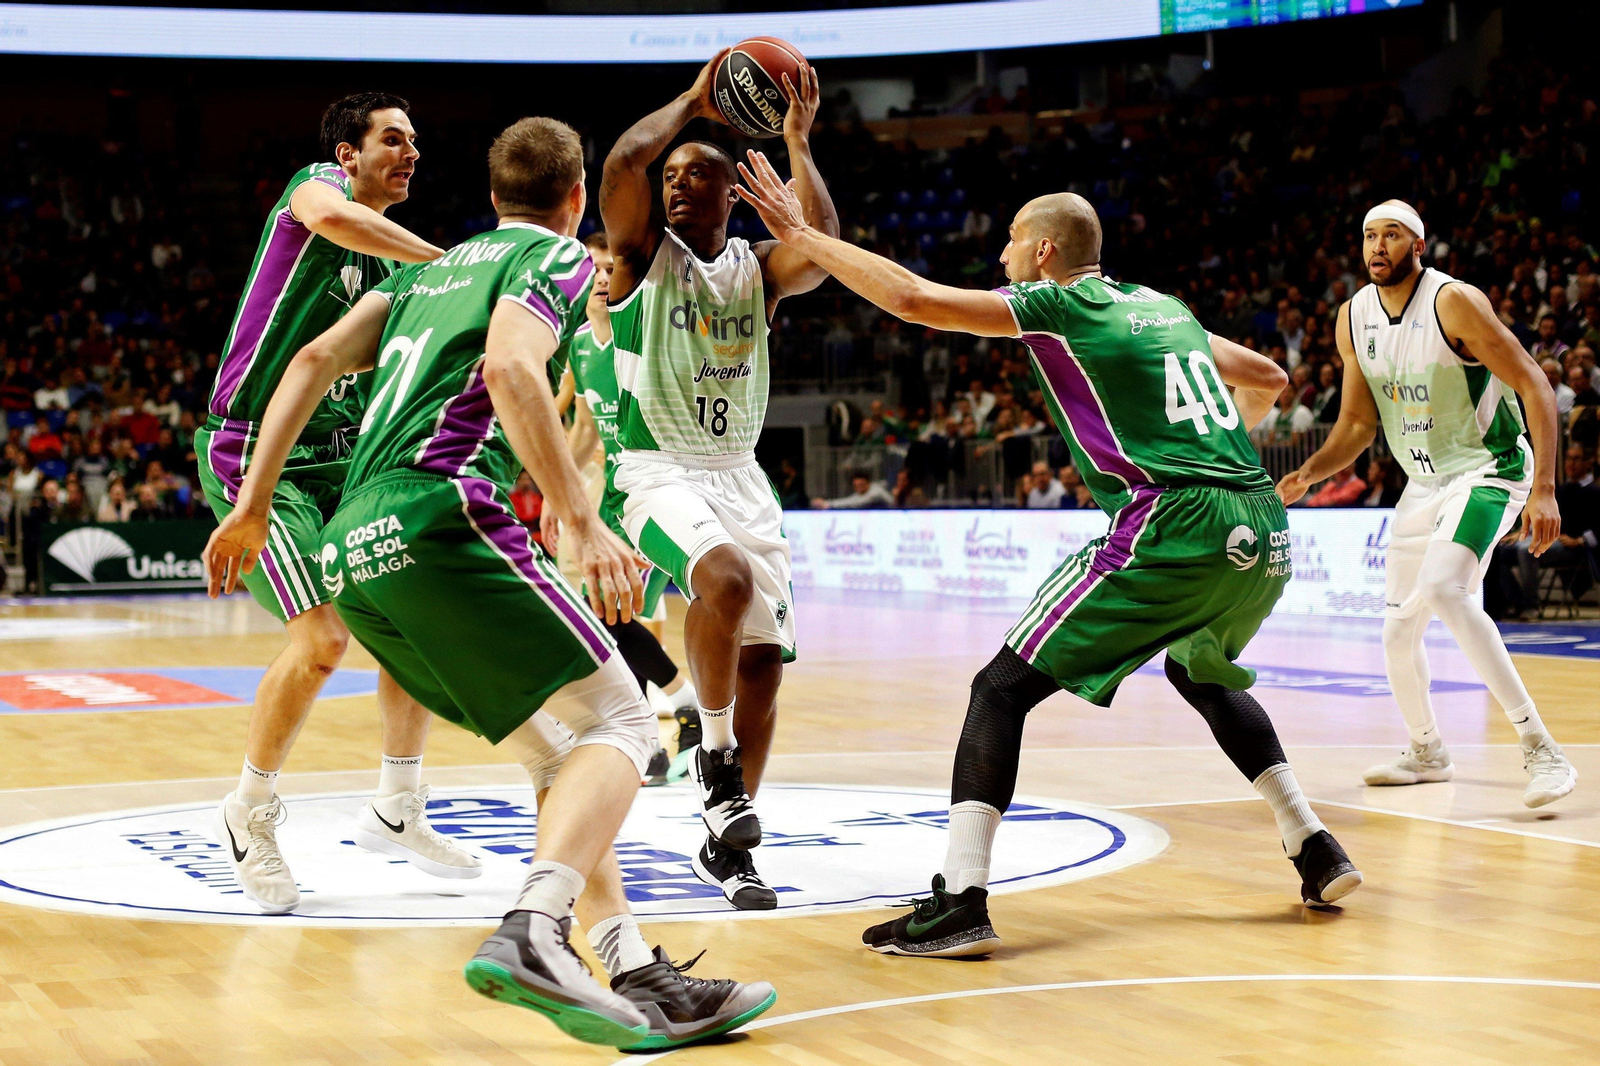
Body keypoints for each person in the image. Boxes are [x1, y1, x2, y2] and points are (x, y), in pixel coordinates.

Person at [202, 117, 775, 1050]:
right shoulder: (549, 260)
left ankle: (633, 967)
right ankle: (535, 932)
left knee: (562, 756)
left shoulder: (421, 274)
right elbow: (510, 367)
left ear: (491, 191)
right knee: (627, 719)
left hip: (353, 548)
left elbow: (307, 361)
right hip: (437, 512)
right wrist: (581, 521)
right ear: (577, 196)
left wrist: (253, 501)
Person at [737, 157, 1361, 957]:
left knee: (998, 689)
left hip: (1174, 518)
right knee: (1197, 671)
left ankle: (960, 901)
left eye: (1007, 242)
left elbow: (914, 300)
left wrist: (803, 238)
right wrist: (1213, 452)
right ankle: (1314, 846)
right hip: (1261, 520)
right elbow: (1269, 379)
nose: (999, 255)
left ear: (1041, 253)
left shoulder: (1058, 303)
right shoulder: (1161, 306)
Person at [194, 92, 476, 914]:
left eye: (418, 139)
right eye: (394, 138)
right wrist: (448, 263)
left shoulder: (395, 272)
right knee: (322, 640)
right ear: (348, 154)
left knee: (411, 618)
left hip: (342, 460)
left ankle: (397, 806)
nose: (412, 150)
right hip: (255, 453)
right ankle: (249, 810)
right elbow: (338, 221)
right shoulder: (315, 190)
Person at [600, 51, 838, 908]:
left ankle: (727, 842)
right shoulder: (638, 258)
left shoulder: (756, 267)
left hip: (739, 475)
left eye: (698, 176)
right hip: (654, 466)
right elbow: (624, 163)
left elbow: (825, 253)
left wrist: (798, 145)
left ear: (732, 194)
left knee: (765, 668)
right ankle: (715, 760)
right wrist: (698, 102)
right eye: (672, 176)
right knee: (723, 581)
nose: (675, 186)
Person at [1278, 201, 1576, 809]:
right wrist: (1308, 473)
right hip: (1422, 484)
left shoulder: (1453, 302)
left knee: (1445, 590)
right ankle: (1427, 750)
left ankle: (1540, 746)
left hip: (1488, 469)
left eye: (1391, 235)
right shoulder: (1352, 317)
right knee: (1395, 632)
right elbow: (1359, 423)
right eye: (1368, 236)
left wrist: (1544, 488)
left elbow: (1534, 382)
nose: (1377, 246)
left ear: (1419, 245)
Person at [563, 231, 702, 784]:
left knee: (609, 619)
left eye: (608, 269)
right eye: (591, 269)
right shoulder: (577, 345)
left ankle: (684, 713)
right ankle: (662, 739)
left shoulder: (638, 337)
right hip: (610, 498)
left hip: (653, 491)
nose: (600, 278)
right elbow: (581, 433)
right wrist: (562, 495)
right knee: (613, 620)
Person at [1496, 443, 1600, 614]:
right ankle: (1515, 602)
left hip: (1575, 548)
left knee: (1527, 550)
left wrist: (1581, 540)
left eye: (1576, 459)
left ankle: (1531, 606)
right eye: (1568, 458)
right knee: (1499, 550)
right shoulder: (1560, 490)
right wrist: (1524, 532)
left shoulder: (1594, 491)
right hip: (1552, 539)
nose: (1570, 463)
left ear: (1589, 462)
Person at [812, 472, 893, 510]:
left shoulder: (876, 492)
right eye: (856, 486)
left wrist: (828, 504)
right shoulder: (859, 494)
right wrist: (826, 503)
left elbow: (856, 502)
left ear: (868, 483)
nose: (859, 488)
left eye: (861, 485)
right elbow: (850, 500)